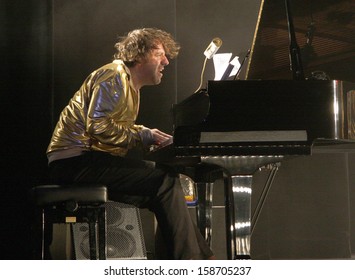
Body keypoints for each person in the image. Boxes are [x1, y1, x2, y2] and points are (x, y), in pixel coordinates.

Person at [46, 27, 215, 260]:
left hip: (84, 160)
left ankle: (195, 260)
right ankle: (194, 263)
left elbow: (112, 125)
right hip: (74, 162)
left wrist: (147, 133)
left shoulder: (128, 84)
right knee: (165, 180)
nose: (166, 61)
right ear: (139, 55)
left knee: (163, 192)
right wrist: (142, 136)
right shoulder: (115, 75)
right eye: (160, 54)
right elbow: (98, 126)